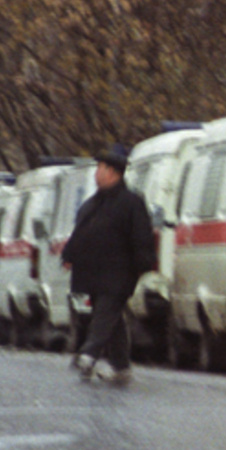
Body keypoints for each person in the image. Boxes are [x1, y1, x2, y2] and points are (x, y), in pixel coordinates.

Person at [61, 146, 156, 384]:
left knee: (105, 313)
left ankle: (89, 354)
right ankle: (121, 366)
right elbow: (80, 232)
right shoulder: (93, 203)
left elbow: (142, 235)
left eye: (101, 169)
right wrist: (69, 255)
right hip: (94, 272)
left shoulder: (131, 202)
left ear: (114, 173)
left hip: (120, 272)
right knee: (112, 319)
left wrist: (143, 264)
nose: (96, 174)